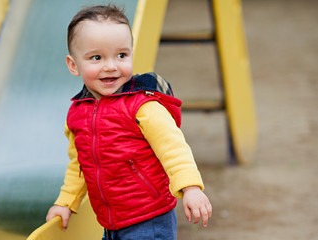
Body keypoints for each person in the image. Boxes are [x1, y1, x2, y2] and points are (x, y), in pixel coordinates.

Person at [46, 4, 212, 240]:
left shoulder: (142, 106)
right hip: (110, 222)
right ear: (73, 65)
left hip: (149, 217)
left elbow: (173, 148)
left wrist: (191, 188)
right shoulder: (77, 113)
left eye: (121, 55)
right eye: (96, 57)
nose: (111, 66)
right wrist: (66, 203)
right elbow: (79, 164)